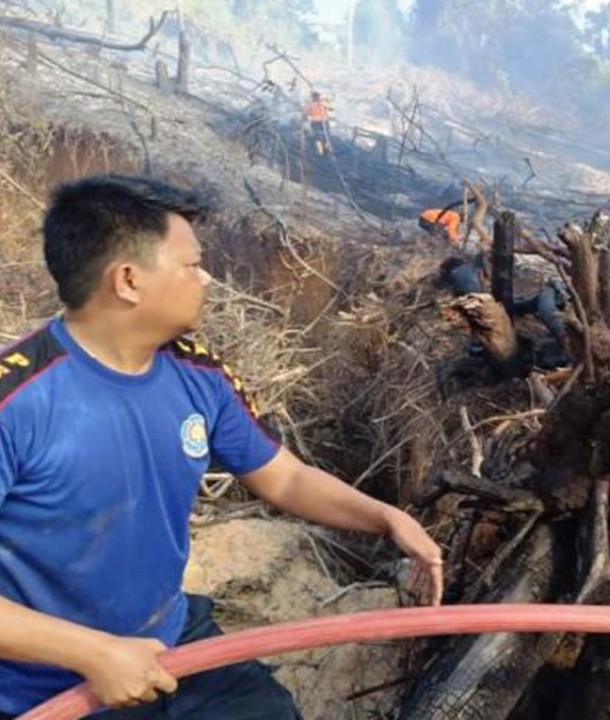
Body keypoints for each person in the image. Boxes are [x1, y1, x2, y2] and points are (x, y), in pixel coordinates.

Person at [0, 174, 445, 718]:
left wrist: (385, 518)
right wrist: (94, 653)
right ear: (129, 281)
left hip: (173, 642)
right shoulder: (16, 402)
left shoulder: (198, 372)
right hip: (43, 688)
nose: (206, 278)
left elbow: (284, 477)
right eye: (191, 264)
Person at [303, 90, 331, 155]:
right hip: (321, 121)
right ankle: (323, 150)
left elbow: (305, 113)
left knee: (320, 136)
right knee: (323, 136)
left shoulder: (310, 104)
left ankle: (322, 150)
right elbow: (330, 108)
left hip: (318, 122)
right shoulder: (321, 103)